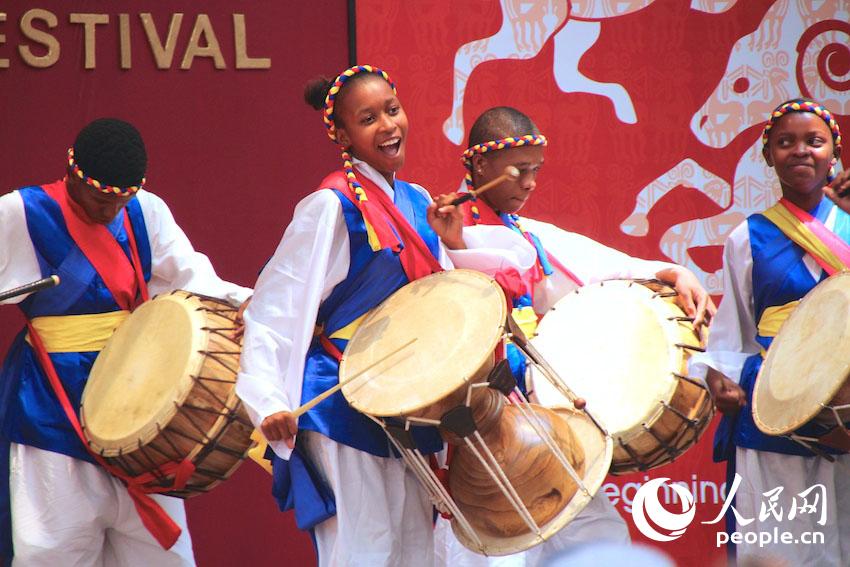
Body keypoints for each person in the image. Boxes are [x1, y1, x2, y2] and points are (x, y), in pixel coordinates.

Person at [234, 66, 536, 567]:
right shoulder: (331, 206)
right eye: (368, 118)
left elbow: (449, 297)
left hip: (404, 400)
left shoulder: (418, 201)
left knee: (415, 553)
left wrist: (453, 239)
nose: (388, 125)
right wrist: (267, 399)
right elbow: (274, 310)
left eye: (392, 110)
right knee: (363, 552)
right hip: (340, 400)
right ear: (343, 136)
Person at [434, 106, 715, 566]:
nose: (530, 183)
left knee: (596, 535)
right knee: (501, 550)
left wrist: (672, 272)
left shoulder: (529, 235)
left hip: (541, 417)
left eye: (536, 170)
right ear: (480, 165)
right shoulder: (441, 237)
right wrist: (457, 245)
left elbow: (603, 264)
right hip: (485, 420)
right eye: (519, 170)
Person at [0, 118, 252, 566]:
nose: (111, 210)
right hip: (51, 403)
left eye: (122, 200)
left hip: (139, 397)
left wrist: (245, 304)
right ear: (73, 175)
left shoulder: (144, 210)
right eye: (102, 200)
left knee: (162, 555)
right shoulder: (23, 212)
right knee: (51, 550)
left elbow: (193, 275)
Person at [695, 98, 850, 566]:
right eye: (785, 142)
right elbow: (733, 331)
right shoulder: (748, 236)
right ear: (768, 156)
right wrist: (719, 377)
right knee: (781, 544)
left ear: (834, 152)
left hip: (844, 407)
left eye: (814, 141)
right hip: (775, 403)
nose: (800, 151)